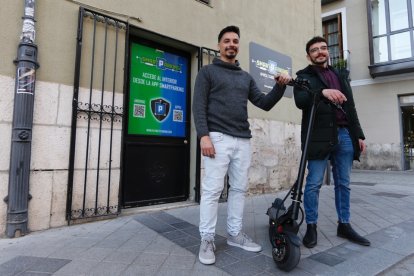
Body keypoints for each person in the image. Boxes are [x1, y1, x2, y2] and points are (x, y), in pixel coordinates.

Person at [193, 25, 292, 265]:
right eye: (226, 40)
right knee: (212, 191)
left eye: (235, 41)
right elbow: (198, 105)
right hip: (217, 138)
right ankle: (207, 239)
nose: (231, 44)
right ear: (219, 45)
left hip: (242, 140)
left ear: (238, 45)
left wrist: (280, 86)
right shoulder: (207, 72)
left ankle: (235, 234)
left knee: (238, 190)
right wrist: (203, 136)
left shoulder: (245, 77)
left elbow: (264, 103)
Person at [293, 36, 370, 248]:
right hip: (318, 135)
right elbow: (301, 101)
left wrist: (359, 135)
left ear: (328, 51)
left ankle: (344, 225)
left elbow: (351, 107)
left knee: (343, 183)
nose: (320, 52)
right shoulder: (303, 76)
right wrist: (322, 93)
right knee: (314, 183)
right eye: (315, 49)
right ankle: (311, 226)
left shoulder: (340, 75)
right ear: (308, 55)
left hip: (345, 134)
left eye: (323, 48)